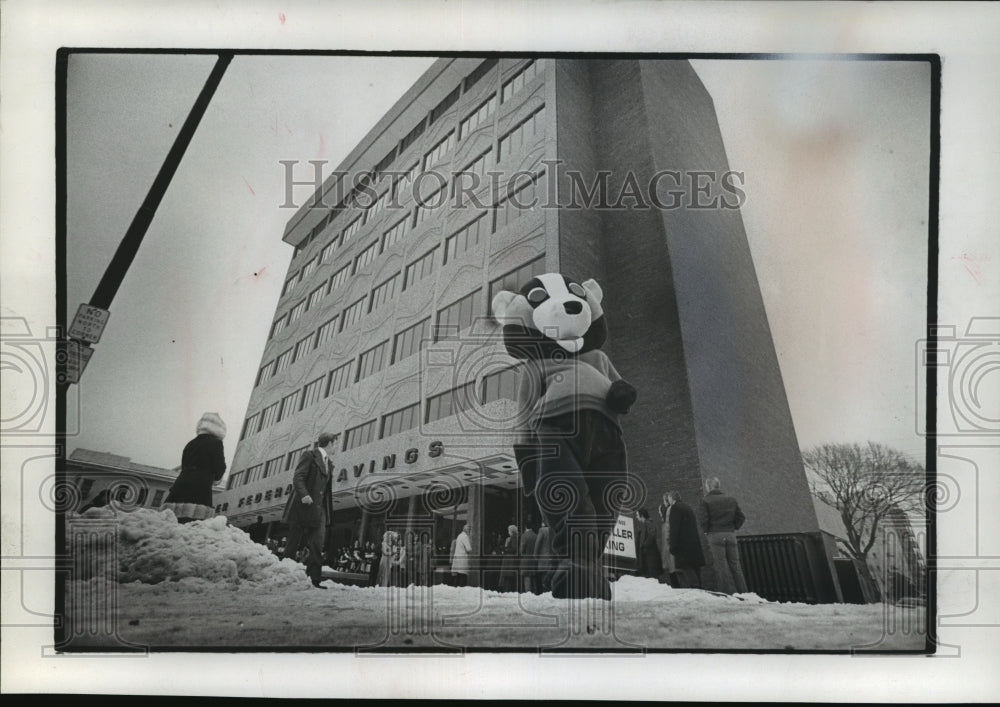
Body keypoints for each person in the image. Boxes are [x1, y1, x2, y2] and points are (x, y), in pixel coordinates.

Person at [281, 432, 337, 589]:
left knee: (317, 543)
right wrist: (304, 495)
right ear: (330, 443)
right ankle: (284, 575)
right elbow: (298, 477)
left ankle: (314, 580)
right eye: (336, 443)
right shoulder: (309, 455)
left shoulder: (329, 464)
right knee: (293, 542)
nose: (337, 447)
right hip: (304, 506)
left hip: (320, 509)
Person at [162, 412, 227, 523]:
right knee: (195, 520)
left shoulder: (190, 443)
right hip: (201, 484)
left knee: (171, 519)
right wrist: (217, 478)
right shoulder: (216, 443)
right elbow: (219, 466)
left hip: (181, 483)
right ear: (218, 428)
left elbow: (184, 465)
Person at [700, 477, 748, 594]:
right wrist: (733, 527)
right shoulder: (731, 499)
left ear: (709, 487)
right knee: (735, 565)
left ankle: (727, 593)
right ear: (718, 486)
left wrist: (706, 530)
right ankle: (744, 592)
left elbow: (703, 520)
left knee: (721, 566)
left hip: (715, 535)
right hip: (730, 534)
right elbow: (741, 517)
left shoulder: (705, 501)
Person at [664, 490, 706, 588]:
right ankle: (701, 589)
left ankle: (696, 590)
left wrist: (672, 546)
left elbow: (674, 529)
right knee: (695, 569)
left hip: (683, 547)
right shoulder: (688, 507)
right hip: (693, 544)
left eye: (669, 498)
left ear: (671, 498)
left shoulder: (675, 508)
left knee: (688, 570)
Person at [636, 509, 662, 579]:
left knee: (652, 576)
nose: (636, 517)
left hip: (650, 554)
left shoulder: (649, 523)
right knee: (651, 576)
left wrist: (644, 545)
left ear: (642, 516)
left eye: (637, 515)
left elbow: (652, 535)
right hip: (649, 554)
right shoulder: (647, 524)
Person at [534, 519, 556, 593]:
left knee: (544, 575)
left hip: (543, 557)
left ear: (543, 523)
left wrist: (535, 555)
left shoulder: (542, 530)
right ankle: (551, 590)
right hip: (552, 556)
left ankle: (545, 592)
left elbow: (538, 543)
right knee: (551, 575)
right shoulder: (553, 530)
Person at [519, 522, 539, 594]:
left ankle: (528, 593)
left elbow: (521, 549)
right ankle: (535, 592)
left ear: (525, 527)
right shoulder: (536, 536)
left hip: (526, 559)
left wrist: (521, 553)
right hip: (534, 559)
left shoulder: (524, 536)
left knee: (527, 577)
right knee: (533, 577)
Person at [499, 524, 520, 593]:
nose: (508, 532)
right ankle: (507, 590)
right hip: (509, 559)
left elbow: (514, 548)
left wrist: (505, 549)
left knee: (508, 576)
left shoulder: (513, 538)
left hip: (510, 559)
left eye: (509, 530)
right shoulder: (512, 537)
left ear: (511, 531)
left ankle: (507, 590)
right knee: (508, 576)